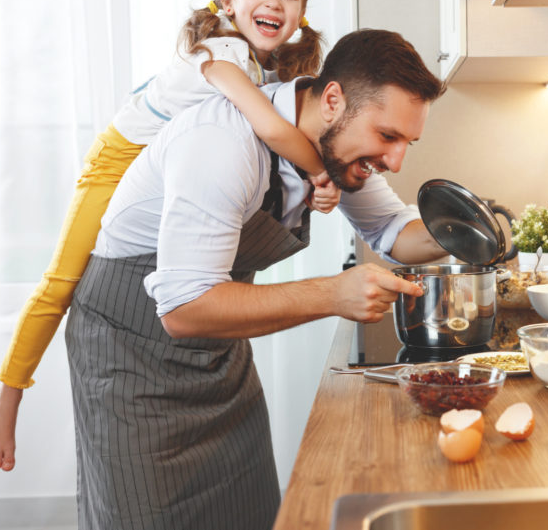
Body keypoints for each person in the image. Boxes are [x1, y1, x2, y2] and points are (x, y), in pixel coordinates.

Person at [0, 0, 339, 473]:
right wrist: (322, 172)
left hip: (157, 168)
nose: (273, 2)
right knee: (62, 281)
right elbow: (272, 130)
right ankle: (7, 397)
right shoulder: (221, 53)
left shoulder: (267, 72)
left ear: (301, 13)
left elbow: (269, 151)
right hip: (118, 159)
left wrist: (310, 187)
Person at [64, 27, 445, 530]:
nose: (395, 160)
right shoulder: (223, 143)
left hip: (217, 357)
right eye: (387, 136)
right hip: (131, 357)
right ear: (333, 100)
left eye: (406, 142)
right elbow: (183, 309)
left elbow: (395, 232)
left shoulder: (331, 147)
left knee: (248, 513)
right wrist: (333, 293)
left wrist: (473, 229)